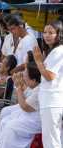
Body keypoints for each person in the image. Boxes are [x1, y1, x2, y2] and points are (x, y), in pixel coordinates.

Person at [0, 60, 41, 148]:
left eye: (25, 75)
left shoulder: (39, 90)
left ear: (34, 80)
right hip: (29, 115)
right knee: (6, 118)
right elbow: (25, 95)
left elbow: (25, 106)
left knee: (9, 127)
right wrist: (19, 84)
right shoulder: (35, 86)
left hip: (34, 121)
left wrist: (19, 87)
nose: (23, 76)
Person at [33, 20, 63, 148]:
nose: (47, 35)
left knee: (51, 141)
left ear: (59, 34)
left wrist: (39, 61)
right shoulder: (54, 51)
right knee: (54, 139)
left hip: (52, 101)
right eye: (45, 32)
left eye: (51, 32)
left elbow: (49, 76)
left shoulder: (58, 51)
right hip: (50, 101)